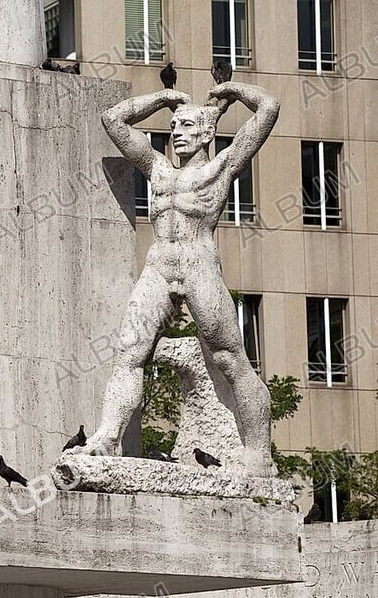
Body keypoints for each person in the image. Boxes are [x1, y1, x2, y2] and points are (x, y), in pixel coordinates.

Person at [73, 82, 280, 477]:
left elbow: (268, 107)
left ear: (206, 133)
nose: (176, 133)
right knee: (128, 353)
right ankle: (106, 437)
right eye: (172, 128)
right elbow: (112, 119)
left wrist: (234, 90)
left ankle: (258, 455)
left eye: (186, 126)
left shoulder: (221, 167)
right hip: (158, 267)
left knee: (231, 360)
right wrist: (163, 99)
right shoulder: (158, 169)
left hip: (199, 266)